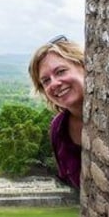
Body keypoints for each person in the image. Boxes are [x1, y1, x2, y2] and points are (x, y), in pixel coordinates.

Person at [28, 35, 85, 189]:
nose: (54, 84)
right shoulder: (58, 129)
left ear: (84, 66)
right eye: (46, 81)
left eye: (60, 71)